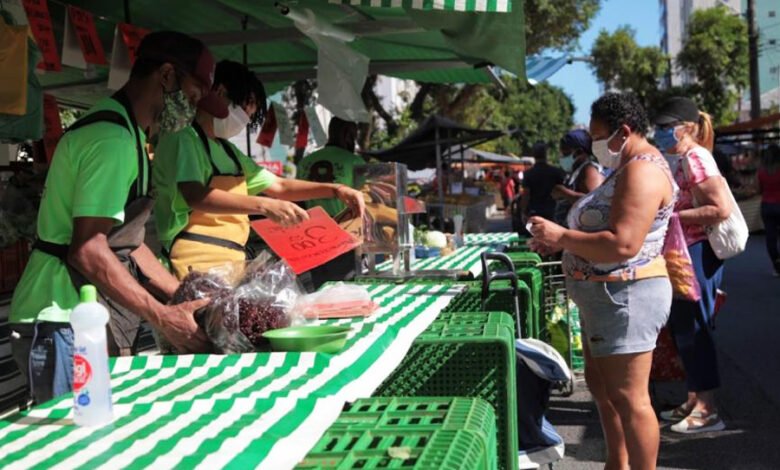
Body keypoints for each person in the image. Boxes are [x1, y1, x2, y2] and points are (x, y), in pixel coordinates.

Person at [8, 32, 222, 403]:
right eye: (192, 96)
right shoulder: (112, 141)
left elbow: (126, 241)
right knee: (72, 449)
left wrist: (188, 297)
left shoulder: (132, 137)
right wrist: (162, 317)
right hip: (61, 317)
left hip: (83, 314)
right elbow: (89, 251)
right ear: (167, 76)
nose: (193, 109)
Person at [529, 92, 677, 469]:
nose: (594, 145)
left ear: (623, 132)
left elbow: (624, 243)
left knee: (630, 398)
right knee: (606, 390)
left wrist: (561, 237)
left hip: (627, 296)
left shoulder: (643, 170)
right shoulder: (625, 168)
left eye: (597, 136)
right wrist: (562, 243)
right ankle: (617, 463)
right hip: (606, 297)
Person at [154, 61, 365, 280]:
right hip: (190, 264)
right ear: (220, 91)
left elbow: (280, 186)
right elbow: (196, 195)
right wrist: (264, 205)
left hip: (230, 263)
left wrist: (337, 189)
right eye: (246, 107)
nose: (246, 118)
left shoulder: (229, 151)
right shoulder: (183, 138)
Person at [652, 96, 731, 433]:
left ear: (685, 129)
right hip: (688, 252)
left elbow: (720, 208)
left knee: (696, 329)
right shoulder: (683, 157)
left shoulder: (696, 158)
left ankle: (709, 410)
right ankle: (694, 398)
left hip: (699, 251)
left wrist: (672, 216)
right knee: (685, 329)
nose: (658, 133)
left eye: (664, 127)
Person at [298, 117, 367, 218]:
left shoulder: (304, 162)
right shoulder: (355, 161)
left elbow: (298, 200)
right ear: (348, 135)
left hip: (311, 224)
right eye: (353, 137)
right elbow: (364, 198)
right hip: (343, 225)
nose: (353, 142)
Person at [552, 129, 604, 226]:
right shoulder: (576, 172)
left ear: (579, 152)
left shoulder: (589, 171)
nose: (562, 157)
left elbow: (595, 204)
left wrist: (564, 193)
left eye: (565, 153)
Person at [520, 142, 566, 223]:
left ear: (533, 155)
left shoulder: (528, 174)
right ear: (546, 154)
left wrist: (523, 211)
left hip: (535, 211)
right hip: (554, 210)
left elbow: (526, 194)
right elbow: (562, 191)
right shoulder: (556, 172)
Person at [758, 144, 780, 276]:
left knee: (771, 237)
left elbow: (758, 189)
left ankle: (776, 264)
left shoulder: (761, 171)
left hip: (766, 205)